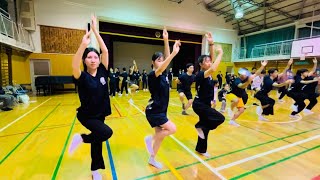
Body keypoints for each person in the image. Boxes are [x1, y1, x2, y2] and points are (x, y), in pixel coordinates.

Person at [68, 15, 113, 180]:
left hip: (100, 114)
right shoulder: (81, 76)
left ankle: (95, 170)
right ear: (84, 60)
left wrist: (95, 30)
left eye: (95, 57)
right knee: (106, 133)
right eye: (89, 57)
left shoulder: (102, 71)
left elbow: (106, 50)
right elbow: (74, 64)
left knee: (98, 142)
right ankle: (81, 138)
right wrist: (83, 45)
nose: (93, 59)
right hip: (87, 116)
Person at [144, 27, 181, 169]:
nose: (161, 61)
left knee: (161, 135)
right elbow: (163, 64)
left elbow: (166, 60)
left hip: (160, 109)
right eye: (158, 60)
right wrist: (173, 53)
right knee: (172, 129)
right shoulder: (153, 74)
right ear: (153, 62)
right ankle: (150, 140)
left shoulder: (164, 74)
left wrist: (166, 40)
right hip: (154, 111)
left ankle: (152, 159)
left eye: (162, 60)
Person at [192, 32, 225, 157]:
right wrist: (220, 53)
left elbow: (211, 60)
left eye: (209, 61)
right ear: (201, 64)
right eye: (206, 61)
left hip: (205, 104)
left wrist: (211, 43)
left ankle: (201, 149)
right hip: (200, 105)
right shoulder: (201, 74)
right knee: (220, 118)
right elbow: (213, 68)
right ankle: (199, 126)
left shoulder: (207, 73)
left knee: (205, 129)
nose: (209, 62)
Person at [227, 61, 268, 127]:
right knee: (236, 100)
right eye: (243, 73)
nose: (244, 75)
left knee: (241, 110)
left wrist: (262, 66)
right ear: (239, 74)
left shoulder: (246, 78)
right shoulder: (237, 80)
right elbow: (241, 86)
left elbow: (256, 73)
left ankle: (232, 121)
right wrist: (248, 82)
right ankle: (230, 109)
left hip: (239, 96)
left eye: (246, 74)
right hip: (231, 94)